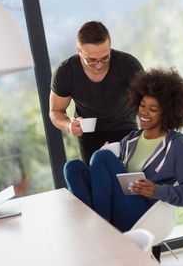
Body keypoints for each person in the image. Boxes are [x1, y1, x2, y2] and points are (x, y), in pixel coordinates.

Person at [63, 67, 183, 236]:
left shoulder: (177, 144)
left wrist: (157, 190)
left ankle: (99, 232)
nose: (144, 112)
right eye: (142, 105)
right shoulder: (131, 139)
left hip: (144, 215)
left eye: (153, 109)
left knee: (101, 157)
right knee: (73, 167)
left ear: (168, 112)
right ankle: (96, 225)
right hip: (118, 206)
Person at [50, 21, 144, 164]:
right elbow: (56, 111)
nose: (99, 65)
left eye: (105, 58)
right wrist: (69, 126)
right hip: (89, 137)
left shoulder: (128, 65)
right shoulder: (66, 72)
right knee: (97, 182)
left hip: (126, 130)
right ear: (79, 51)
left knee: (130, 183)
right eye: (92, 60)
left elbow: (147, 101)